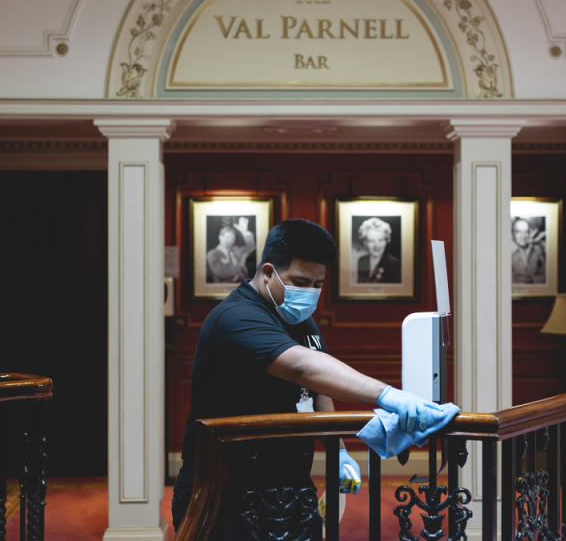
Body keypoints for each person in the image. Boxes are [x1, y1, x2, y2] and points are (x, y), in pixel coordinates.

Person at [173, 219, 451, 539]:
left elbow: (317, 392)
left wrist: (339, 452)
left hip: (289, 487)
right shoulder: (234, 317)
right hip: (224, 491)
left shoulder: (302, 321)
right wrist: (389, 395)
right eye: (299, 281)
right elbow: (302, 368)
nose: (309, 293)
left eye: (318, 284)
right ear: (267, 272)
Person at [206, 216, 256, 283]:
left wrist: (245, 232)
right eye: (227, 237)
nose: (230, 241)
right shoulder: (212, 253)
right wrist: (240, 266)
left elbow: (251, 247)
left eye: (232, 239)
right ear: (220, 237)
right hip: (221, 289)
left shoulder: (236, 250)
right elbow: (220, 272)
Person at [356, 217, 402, 284]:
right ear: (365, 243)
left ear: (386, 241)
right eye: (371, 241)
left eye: (380, 240)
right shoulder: (362, 261)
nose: (376, 246)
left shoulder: (394, 264)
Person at [511, 217, 546, 284]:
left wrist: (533, 280)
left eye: (526, 231)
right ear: (513, 233)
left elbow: (545, 275)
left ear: (529, 232)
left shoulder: (537, 249)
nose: (523, 236)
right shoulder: (508, 251)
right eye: (518, 231)